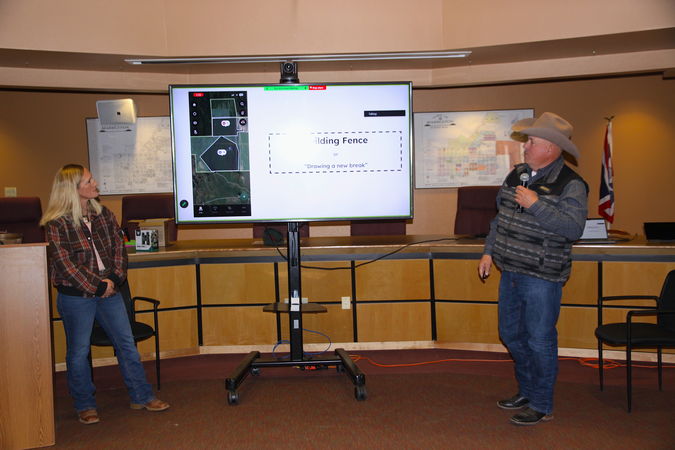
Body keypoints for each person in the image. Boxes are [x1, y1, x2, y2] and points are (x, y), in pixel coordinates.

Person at [477, 112, 588, 425]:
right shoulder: (517, 175)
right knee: (511, 335)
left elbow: (573, 229)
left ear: (550, 148)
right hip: (510, 272)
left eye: (532, 142)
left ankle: (542, 403)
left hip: (542, 278)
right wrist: (488, 252)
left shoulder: (571, 184)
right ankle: (527, 391)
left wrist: (535, 205)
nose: (525, 146)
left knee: (539, 340)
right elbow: (500, 218)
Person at [40, 164, 169, 425]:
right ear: (73, 189)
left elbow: (119, 249)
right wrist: (97, 286)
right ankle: (85, 405)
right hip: (76, 296)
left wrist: (114, 279)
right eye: (89, 181)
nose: (95, 183)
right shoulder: (56, 223)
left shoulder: (104, 214)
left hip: (110, 291)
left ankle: (142, 396)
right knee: (78, 352)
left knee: (126, 344)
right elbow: (65, 264)